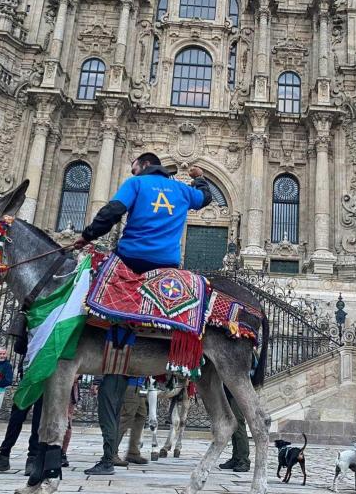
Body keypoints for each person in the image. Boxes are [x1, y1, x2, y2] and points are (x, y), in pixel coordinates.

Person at [75, 153, 212, 476]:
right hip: (167, 266)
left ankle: (108, 454)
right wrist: (200, 177)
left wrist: (87, 236)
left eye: (133, 166)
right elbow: (205, 198)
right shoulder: (182, 190)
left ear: (142, 166)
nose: (132, 170)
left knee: (88, 295)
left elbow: (112, 211)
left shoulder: (136, 183)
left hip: (130, 261)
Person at [114, 376, 149, 466]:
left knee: (141, 416)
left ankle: (133, 453)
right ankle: (111, 453)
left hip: (139, 386)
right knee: (125, 419)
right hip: (131, 385)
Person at [219, 388, 250, 472]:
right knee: (233, 425)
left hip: (237, 392)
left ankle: (244, 460)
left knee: (238, 423)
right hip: (228, 392)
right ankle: (236, 458)